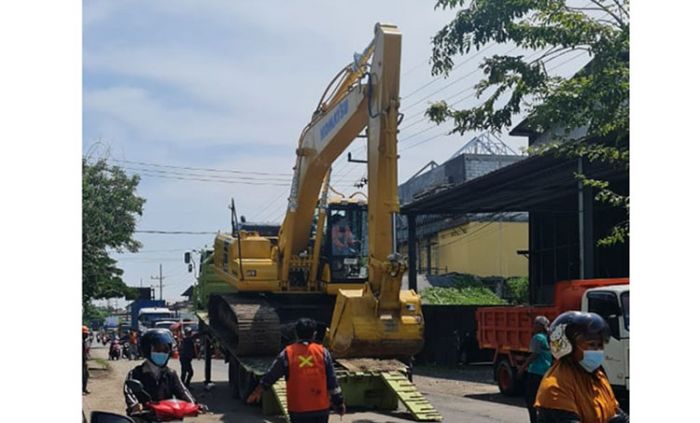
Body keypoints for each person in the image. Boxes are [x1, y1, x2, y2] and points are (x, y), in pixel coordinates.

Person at [535, 311, 628, 423]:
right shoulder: (555, 386)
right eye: (591, 345)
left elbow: (615, 408)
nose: (597, 351)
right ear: (568, 347)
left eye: (600, 345)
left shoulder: (597, 376)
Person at [247, 318, 345, 423]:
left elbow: (272, 375)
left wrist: (258, 391)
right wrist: (338, 403)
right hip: (320, 409)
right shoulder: (323, 352)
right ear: (314, 334)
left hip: (298, 409)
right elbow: (332, 381)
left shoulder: (287, 353)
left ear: (296, 334)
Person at [123, 328, 198, 416]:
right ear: (147, 349)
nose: (162, 353)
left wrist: (193, 404)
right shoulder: (136, 373)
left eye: (165, 350)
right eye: (158, 349)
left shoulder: (171, 374)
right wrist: (134, 405)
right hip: (142, 418)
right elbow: (128, 390)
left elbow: (183, 391)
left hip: (167, 417)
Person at [518, 315, 552, 423]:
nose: (533, 326)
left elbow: (534, 355)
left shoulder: (537, 338)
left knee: (531, 400)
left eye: (535, 324)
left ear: (540, 326)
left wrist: (522, 367)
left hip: (535, 372)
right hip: (546, 372)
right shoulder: (549, 338)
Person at [82, 325, 90, 395]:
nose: (86, 334)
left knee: (86, 375)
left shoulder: (84, 341)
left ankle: (84, 389)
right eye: (84, 333)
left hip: (84, 361)